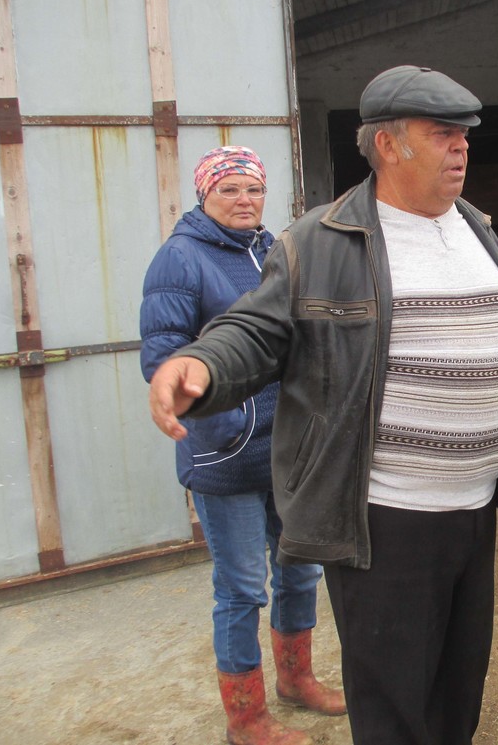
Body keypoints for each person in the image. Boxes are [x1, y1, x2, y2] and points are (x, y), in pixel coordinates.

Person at [147, 67, 498, 745]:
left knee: (458, 686)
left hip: (473, 510)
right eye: (442, 133)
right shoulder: (320, 241)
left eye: (465, 133)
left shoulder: (475, 227)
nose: (462, 146)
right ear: (387, 145)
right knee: (394, 701)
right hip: (384, 519)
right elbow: (256, 330)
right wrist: (201, 364)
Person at [140, 146, 346, 745]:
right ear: (204, 195)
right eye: (228, 190)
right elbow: (164, 358)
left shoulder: (272, 251)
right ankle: (245, 717)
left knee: (300, 571)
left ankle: (297, 680)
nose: (244, 201)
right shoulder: (180, 259)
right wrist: (221, 403)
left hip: (285, 450)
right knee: (241, 588)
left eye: (253, 189)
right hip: (226, 451)